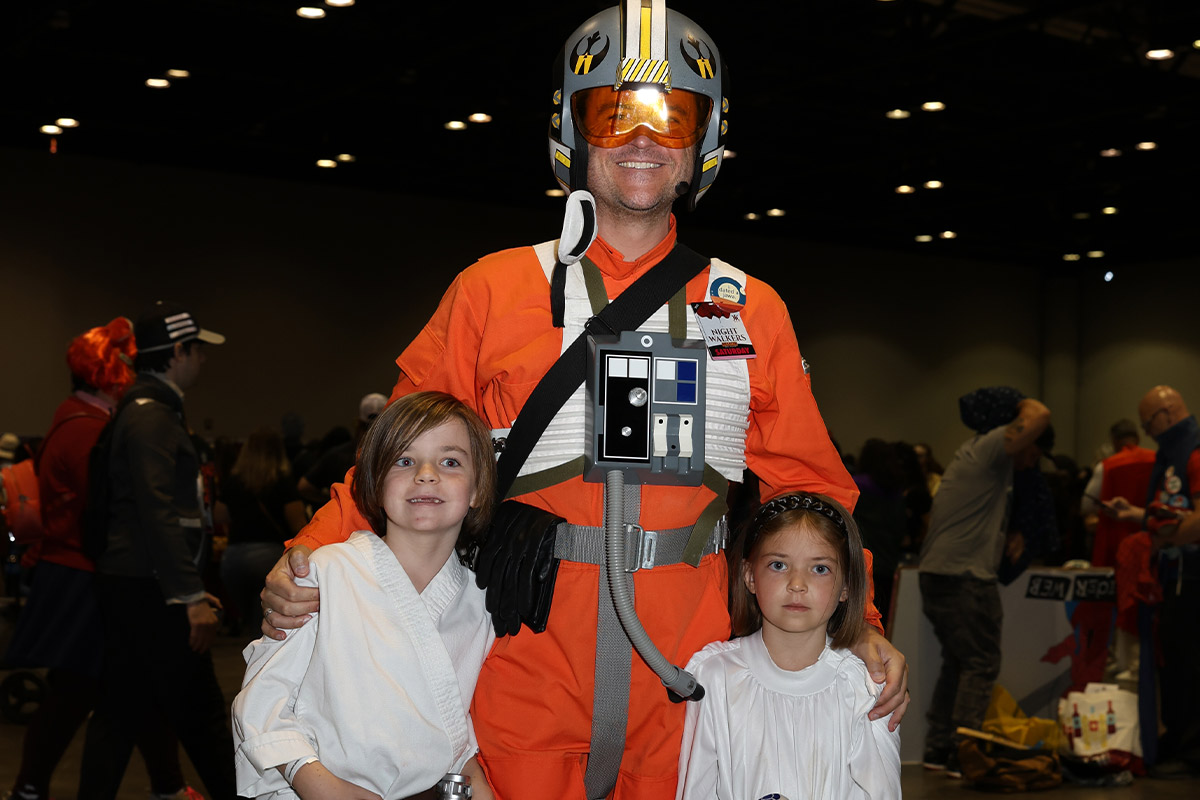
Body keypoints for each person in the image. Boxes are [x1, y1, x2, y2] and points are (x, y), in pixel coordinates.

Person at [260, 4, 909, 797]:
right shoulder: (492, 289)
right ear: (574, 129)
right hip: (519, 650)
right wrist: (311, 562)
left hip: (691, 668)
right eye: (614, 111)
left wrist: (862, 623)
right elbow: (395, 456)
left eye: (670, 115)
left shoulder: (750, 309)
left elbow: (812, 490)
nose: (642, 138)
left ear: (701, 145)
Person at [233, 392, 496, 799]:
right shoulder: (328, 572)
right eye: (404, 461)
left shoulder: (478, 603)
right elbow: (261, 701)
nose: (426, 474)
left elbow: (446, 720)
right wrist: (322, 786)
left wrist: (472, 778)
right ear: (375, 483)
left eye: (450, 461)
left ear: (478, 489)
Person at [4, 318, 198, 800]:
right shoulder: (90, 428)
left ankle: (165, 785)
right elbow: (122, 510)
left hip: (82, 572)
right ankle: (33, 787)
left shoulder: (79, 420)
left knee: (111, 688)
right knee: (83, 690)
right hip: (86, 575)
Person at [77, 301, 236, 800]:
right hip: (151, 590)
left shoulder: (144, 410)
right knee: (201, 712)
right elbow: (158, 510)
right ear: (176, 354)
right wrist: (188, 594)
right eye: (197, 352)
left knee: (122, 711)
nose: (202, 362)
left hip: (136, 584)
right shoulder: (152, 418)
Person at [676, 493, 900, 799]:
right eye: (779, 565)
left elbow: (881, 791)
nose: (797, 583)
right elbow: (697, 788)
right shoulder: (713, 675)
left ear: (846, 585)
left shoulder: (864, 687)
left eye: (820, 568)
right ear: (749, 576)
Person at [918, 387, 1052, 778]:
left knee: (958, 662)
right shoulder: (993, 446)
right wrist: (1018, 402)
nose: (1034, 458)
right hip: (965, 579)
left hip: (939, 574)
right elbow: (1039, 414)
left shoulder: (973, 456)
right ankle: (966, 753)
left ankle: (939, 748)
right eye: (1034, 449)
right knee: (981, 663)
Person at [1104, 385, 1200, 779]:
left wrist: (1163, 535)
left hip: (1191, 577)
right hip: (1173, 578)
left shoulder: (1193, 452)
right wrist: (1136, 516)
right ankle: (1180, 743)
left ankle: (1193, 752)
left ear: (1167, 412)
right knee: (1174, 665)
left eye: (1149, 424)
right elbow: (1172, 514)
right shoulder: (1172, 455)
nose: (1148, 432)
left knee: (1190, 666)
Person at [218, 427, 307, 639]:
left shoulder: (233, 481)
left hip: (233, 558)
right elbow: (299, 525)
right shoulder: (283, 481)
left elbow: (218, 516)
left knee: (251, 619)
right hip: (268, 555)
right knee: (265, 623)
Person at [296, 392, 387, 507]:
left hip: (346, 519)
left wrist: (332, 502)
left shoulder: (337, 455)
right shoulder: (393, 456)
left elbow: (304, 486)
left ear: (358, 423)